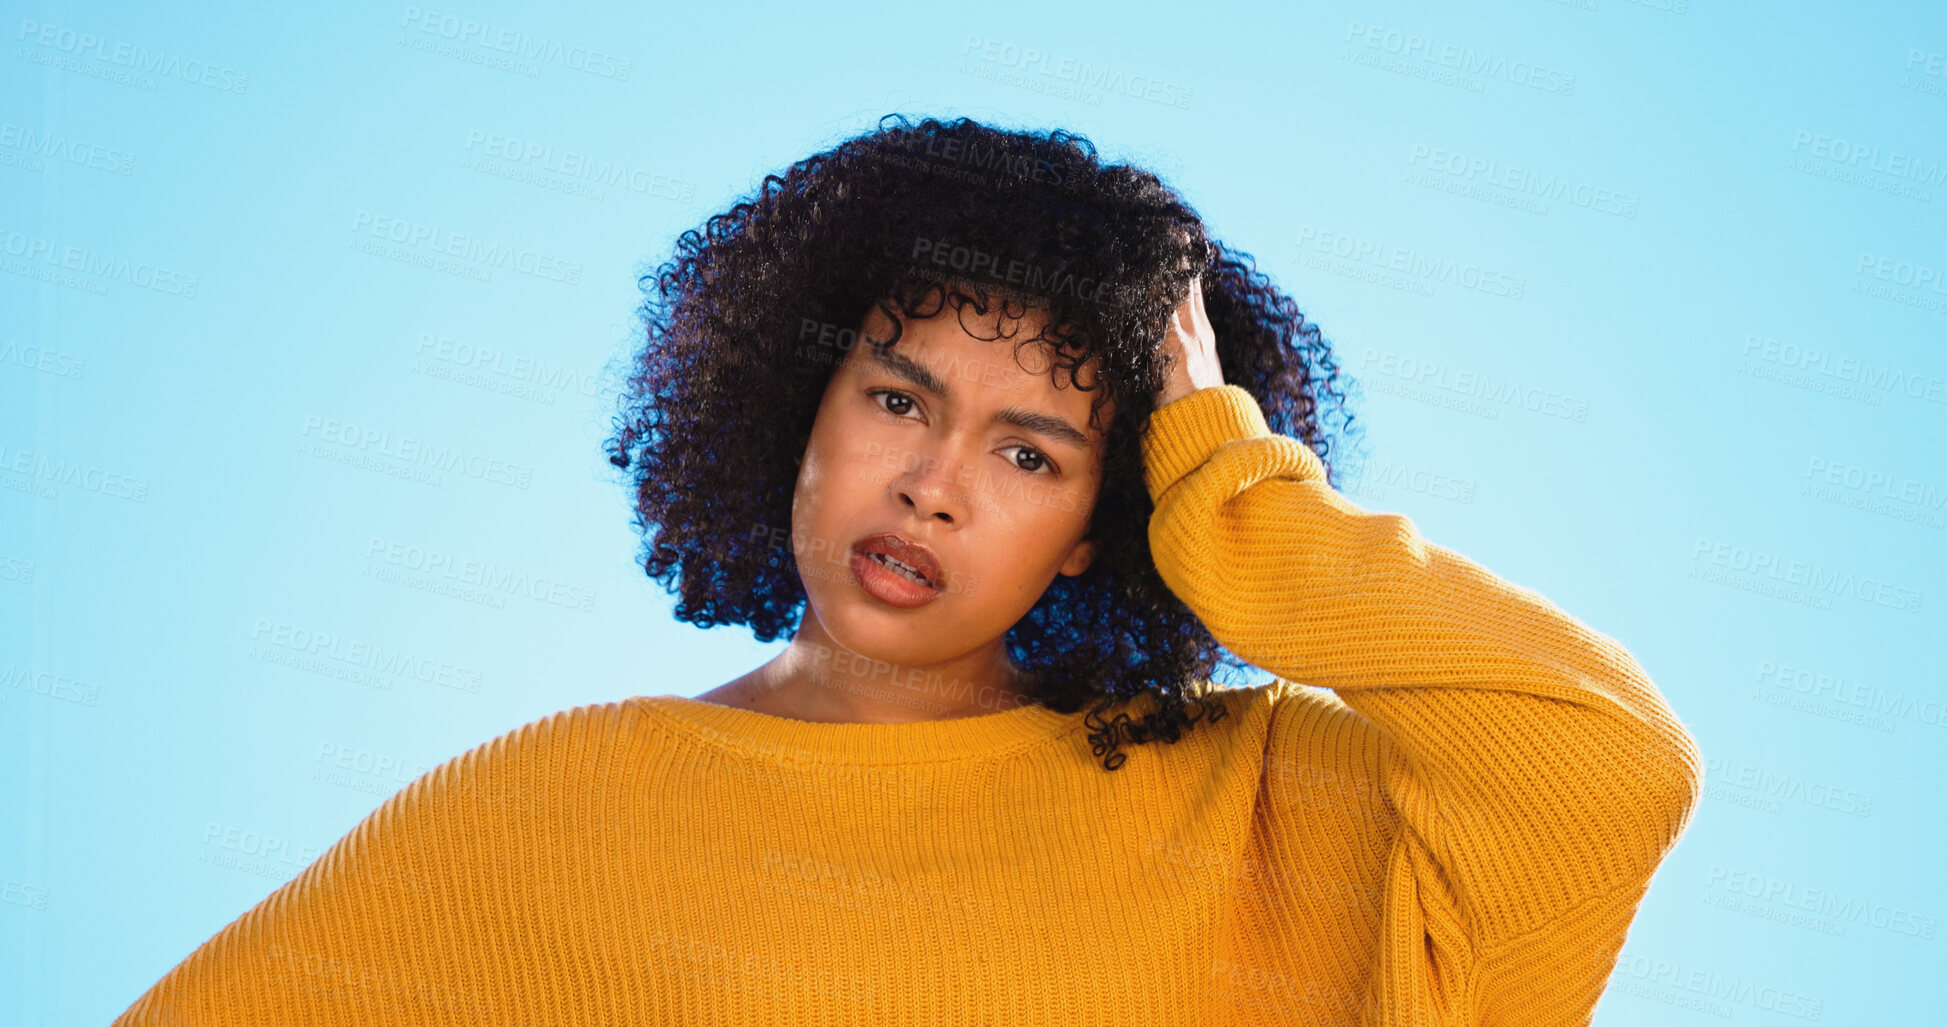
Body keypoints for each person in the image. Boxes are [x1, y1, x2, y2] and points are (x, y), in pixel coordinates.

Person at [114, 114, 1703, 1025]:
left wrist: (1233, 494)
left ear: (1108, 515)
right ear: (796, 402)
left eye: (1032, 452)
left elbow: (1608, 766)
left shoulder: (1286, 806)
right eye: (898, 400)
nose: (934, 486)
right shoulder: (558, 808)